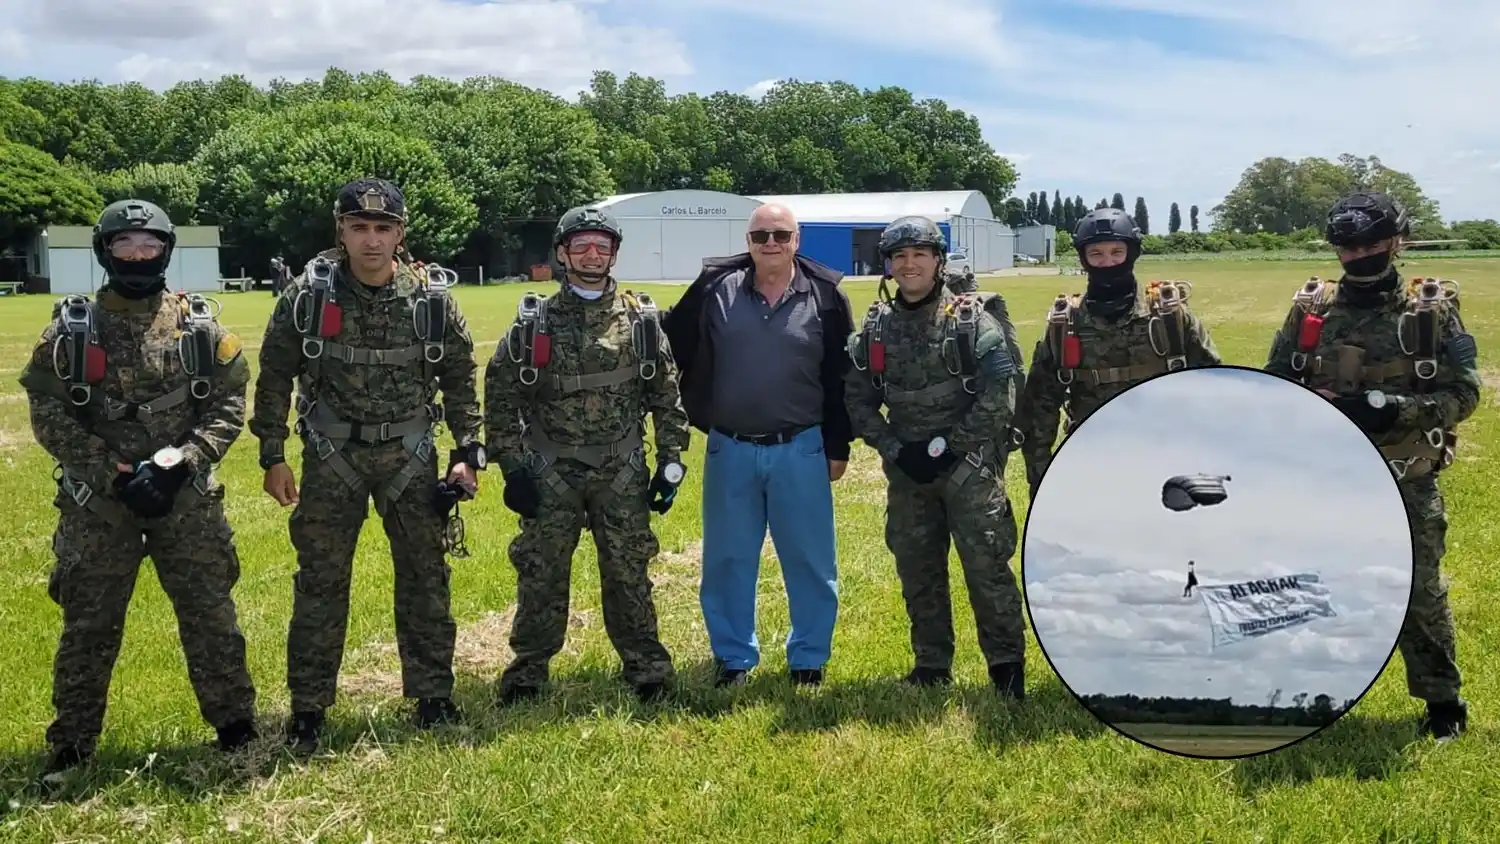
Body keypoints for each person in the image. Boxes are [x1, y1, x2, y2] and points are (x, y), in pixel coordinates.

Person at [18, 199, 259, 780]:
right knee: (89, 625)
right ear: (104, 253)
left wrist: (183, 463)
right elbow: (49, 412)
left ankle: (236, 729)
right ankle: (72, 744)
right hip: (100, 506)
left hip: (186, 500)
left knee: (210, 616)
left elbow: (228, 402)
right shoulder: (72, 329)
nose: (137, 256)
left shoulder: (199, 326)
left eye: (148, 245)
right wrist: (111, 474)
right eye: (124, 245)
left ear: (166, 251)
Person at [249, 177, 484, 748]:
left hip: (410, 455)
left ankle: (433, 697)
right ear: (342, 232)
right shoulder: (308, 298)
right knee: (321, 584)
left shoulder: (430, 300)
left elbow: (459, 379)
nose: (371, 241)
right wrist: (273, 455)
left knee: (427, 580)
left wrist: (466, 453)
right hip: (332, 458)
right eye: (360, 228)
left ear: (400, 234)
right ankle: (308, 710)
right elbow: (275, 375)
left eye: (383, 228)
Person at [1263, 190, 1479, 741]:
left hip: (1404, 473)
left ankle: (1442, 702)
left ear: (1396, 242)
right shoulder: (1311, 308)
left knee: (1419, 592)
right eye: (1348, 246)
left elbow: (1463, 393)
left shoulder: (1428, 311)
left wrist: (1392, 410)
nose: (1360, 255)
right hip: (1324, 479)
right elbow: (1276, 378)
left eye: (1372, 244)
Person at [485, 206, 689, 703]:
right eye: (581, 246)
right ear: (562, 254)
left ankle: (646, 667)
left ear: (614, 253)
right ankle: (529, 671)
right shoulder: (534, 323)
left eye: (602, 246)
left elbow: (666, 396)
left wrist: (670, 461)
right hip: (551, 469)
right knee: (541, 571)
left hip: (620, 469)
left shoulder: (641, 321)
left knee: (629, 570)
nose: (592, 254)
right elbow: (501, 395)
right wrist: (513, 467)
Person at [661, 203, 855, 687]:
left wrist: (839, 445)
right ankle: (734, 659)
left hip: (802, 447)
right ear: (747, 241)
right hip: (730, 447)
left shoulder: (825, 296)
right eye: (760, 235)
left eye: (780, 235)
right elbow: (668, 344)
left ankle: (808, 658)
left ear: (798, 239)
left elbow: (840, 376)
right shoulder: (714, 290)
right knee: (727, 559)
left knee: (810, 559)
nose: (770, 243)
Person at [843, 216, 1029, 697]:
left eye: (919, 255)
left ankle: (1006, 668)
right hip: (908, 471)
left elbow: (999, 395)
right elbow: (857, 399)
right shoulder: (877, 328)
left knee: (987, 567)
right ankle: (931, 664)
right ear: (887, 266)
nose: (909, 265)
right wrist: (892, 448)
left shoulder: (969, 320)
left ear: (938, 261)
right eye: (899, 257)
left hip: (969, 470)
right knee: (918, 568)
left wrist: (955, 449)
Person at [1012, 208, 1221, 499]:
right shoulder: (1065, 324)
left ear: (1132, 254)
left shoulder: (1168, 317)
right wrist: (1042, 478)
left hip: (1166, 455)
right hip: (1092, 458)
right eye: (1096, 254)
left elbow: (1214, 386)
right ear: (1084, 259)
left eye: (1116, 252)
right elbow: (1039, 408)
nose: (1107, 262)